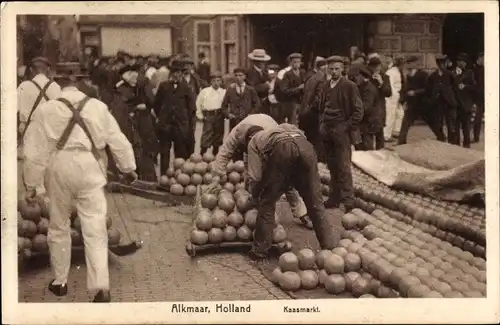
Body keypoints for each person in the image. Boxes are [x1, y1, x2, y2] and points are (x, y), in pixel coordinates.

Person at [22, 70, 137, 302]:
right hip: (90, 166)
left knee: (58, 225)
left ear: (58, 85)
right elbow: (117, 138)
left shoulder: (47, 109)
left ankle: (60, 282)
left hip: (59, 167)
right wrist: (128, 168)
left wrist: (32, 184)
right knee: (95, 226)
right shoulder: (97, 106)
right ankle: (100, 288)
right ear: (80, 85)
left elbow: (33, 152)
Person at [245, 123, 340, 260]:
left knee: (267, 202)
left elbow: (256, 177)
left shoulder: (253, 142)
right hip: (306, 147)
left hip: (283, 148)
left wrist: (254, 197)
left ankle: (260, 251)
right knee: (315, 202)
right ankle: (330, 247)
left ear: (249, 137)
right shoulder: (280, 128)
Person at [207, 114, 313, 229]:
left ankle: (302, 213)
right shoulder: (236, 134)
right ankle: (250, 209)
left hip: (272, 145)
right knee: (250, 176)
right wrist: (217, 177)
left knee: (285, 179)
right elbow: (224, 153)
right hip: (252, 137)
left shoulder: (271, 133)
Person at [319, 55, 363, 212]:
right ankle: (334, 198)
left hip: (341, 131)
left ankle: (348, 201)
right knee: (332, 166)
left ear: (343, 69)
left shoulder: (349, 86)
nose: (334, 71)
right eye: (331, 69)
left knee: (344, 166)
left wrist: (346, 126)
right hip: (327, 131)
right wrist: (322, 123)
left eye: (337, 68)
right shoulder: (325, 85)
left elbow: (358, 111)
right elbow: (321, 106)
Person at [154, 59, 196, 174]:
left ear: (183, 73)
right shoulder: (164, 86)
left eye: (179, 72)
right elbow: (156, 104)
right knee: (164, 153)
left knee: (180, 154)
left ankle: (179, 177)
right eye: (174, 72)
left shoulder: (187, 88)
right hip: (165, 126)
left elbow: (191, 109)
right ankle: (163, 177)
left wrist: (189, 126)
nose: (176, 75)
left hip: (180, 126)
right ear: (171, 73)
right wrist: (163, 117)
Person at [398, 56, 444, 145]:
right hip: (412, 105)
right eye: (408, 63)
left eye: (410, 63)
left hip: (423, 104)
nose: (408, 65)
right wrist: (403, 100)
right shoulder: (407, 75)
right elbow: (405, 89)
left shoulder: (423, 74)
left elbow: (427, 89)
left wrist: (415, 92)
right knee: (405, 123)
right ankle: (401, 142)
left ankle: (441, 138)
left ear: (415, 64)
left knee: (432, 123)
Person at [18, 57, 62, 147]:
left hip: (29, 130)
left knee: (30, 158)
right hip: (50, 131)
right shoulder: (55, 87)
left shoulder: (23, 86)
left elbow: (12, 108)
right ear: (48, 69)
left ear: (31, 69)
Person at [221, 67, 261, 142]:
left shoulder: (250, 90)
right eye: (236, 75)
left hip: (247, 120)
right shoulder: (230, 90)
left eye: (240, 75)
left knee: (246, 138)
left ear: (244, 76)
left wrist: (251, 114)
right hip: (234, 120)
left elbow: (257, 104)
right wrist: (228, 114)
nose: (238, 77)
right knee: (234, 139)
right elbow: (224, 106)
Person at [427, 54, 459, 145]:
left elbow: (455, 87)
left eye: (443, 63)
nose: (441, 65)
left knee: (451, 125)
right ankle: (441, 139)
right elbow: (429, 89)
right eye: (439, 63)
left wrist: (454, 99)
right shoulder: (433, 76)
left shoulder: (450, 74)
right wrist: (432, 98)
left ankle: (452, 143)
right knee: (438, 124)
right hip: (438, 103)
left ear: (445, 63)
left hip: (449, 103)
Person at [300, 56, 328, 161]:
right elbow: (319, 99)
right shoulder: (321, 80)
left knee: (311, 138)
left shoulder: (312, 78)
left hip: (306, 113)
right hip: (314, 114)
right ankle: (318, 159)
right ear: (323, 68)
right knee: (317, 138)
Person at [197, 71, 227, 156]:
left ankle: (215, 155)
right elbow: (198, 103)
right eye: (214, 81)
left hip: (219, 115)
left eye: (218, 80)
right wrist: (200, 115)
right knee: (207, 135)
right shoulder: (205, 91)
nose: (216, 83)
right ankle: (202, 155)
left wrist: (225, 114)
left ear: (221, 81)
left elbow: (226, 104)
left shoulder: (224, 92)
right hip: (208, 115)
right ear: (211, 81)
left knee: (218, 136)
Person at [367, 57, 392, 149]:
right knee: (368, 136)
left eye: (377, 67)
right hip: (368, 109)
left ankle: (380, 155)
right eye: (373, 67)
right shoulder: (367, 77)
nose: (376, 69)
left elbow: (389, 93)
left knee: (379, 135)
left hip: (379, 110)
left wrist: (381, 83)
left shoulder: (385, 77)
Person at [452, 53, 476, 148]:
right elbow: (451, 86)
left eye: (463, 61)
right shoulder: (453, 73)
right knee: (456, 126)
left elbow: (474, 87)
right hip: (456, 103)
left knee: (465, 126)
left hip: (465, 104)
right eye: (460, 61)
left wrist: (465, 86)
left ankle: (467, 145)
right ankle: (457, 145)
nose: (462, 63)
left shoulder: (470, 73)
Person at [355, 65, 380, 150]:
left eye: (357, 76)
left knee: (367, 150)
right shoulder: (361, 87)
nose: (356, 78)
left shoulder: (369, 89)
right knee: (359, 148)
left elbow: (366, 107)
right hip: (362, 123)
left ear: (362, 76)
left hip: (368, 124)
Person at [384, 55, 405, 142]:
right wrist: (394, 97)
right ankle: (386, 135)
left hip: (397, 96)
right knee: (390, 116)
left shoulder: (398, 72)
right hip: (391, 97)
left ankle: (396, 131)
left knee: (400, 113)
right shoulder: (391, 72)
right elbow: (391, 85)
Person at [281, 53, 306, 125]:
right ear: (290, 63)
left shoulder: (303, 73)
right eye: (294, 62)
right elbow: (284, 90)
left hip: (302, 102)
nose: (297, 64)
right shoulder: (287, 74)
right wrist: (298, 88)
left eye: (298, 62)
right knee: (293, 122)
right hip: (292, 103)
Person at [246, 49, 271, 114]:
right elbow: (252, 88)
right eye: (259, 61)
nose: (262, 63)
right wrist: (266, 85)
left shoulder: (265, 72)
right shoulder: (249, 73)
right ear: (254, 62)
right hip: (254, 104)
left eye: (263, 61)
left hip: (265, 103)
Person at [472, 52, 484, 143]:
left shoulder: (483, 69)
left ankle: (476, 137)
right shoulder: (473, 69)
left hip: (482, 97)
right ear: (479, 58)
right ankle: (474, 137)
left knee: (479, 118)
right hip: (476, 97)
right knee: (476, 118)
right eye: (483, 58)